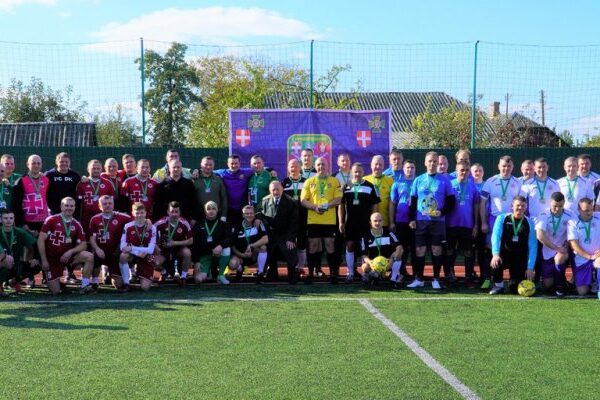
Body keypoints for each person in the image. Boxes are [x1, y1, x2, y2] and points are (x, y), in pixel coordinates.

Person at [406, 151, 455, 289]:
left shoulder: (445, 180)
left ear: (438, 163)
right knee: (419, 250)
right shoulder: (418, 180)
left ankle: (436, 279)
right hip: (421, 221)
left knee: (436, 249)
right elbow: (412, 201)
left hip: (438, 221)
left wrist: (442, 212)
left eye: (435, 161)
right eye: (430, 161)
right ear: (425, 163)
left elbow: (451, 202)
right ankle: (419, 279)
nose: (432, 164)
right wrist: (411, 219)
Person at [479, 155, 522, 289]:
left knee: (511, 248)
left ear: (512, 167)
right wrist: (484, 222)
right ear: (498, 166)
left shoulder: (518, 182)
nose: (506, 168)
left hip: (512, 220)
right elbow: (482, 203)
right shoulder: (490, 181)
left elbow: (522, 204)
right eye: (503, 166)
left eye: (509, 166)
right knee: (490, 247)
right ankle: (489, 278)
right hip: (494, 219)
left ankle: (513, 280)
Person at [38, 197, 93, 295]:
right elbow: (40, 240)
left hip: (68, 257)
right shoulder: (51, 220)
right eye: (66, 205)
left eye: (72, 206)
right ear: (61, 207)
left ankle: (85, 286)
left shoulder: (76, 224)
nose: (69, 208)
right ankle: (58, 283)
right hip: (52, 259)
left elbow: (83, 245)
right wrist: (44, 260)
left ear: (75, 207)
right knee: (55, 291)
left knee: (89, 256)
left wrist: (70, 251)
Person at [301, 157, 342, 283]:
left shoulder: (335, 181)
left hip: (329, 220)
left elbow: (338, 199)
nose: (321, 167)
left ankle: (333, 274)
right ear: (315, 166)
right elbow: (303, 200)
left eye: (323, 164)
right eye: (318, 165)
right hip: (313, 220)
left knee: (330, 245)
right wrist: (314, 207)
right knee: (313, 245)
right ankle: (310, 274)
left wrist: (327, 206)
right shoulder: (309, 182)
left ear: (327, 166)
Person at [12, 154, 50, 287]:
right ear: (28, 165)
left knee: (45, 248)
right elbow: (16, 205)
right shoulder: (21, 181)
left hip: (43, 221)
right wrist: (23, 224)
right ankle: (30, 277)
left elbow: (48, 198)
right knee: (29, 249)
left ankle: (46, 277)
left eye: (38, 163)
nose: (36, 165)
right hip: (28, 221)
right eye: (33, 163)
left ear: (41, 165)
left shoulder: (46, 179)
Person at [338, 162, 379, 282]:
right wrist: (341, 222)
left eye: (360, 172)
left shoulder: (370, 186)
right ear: (352, 172)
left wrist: (373, 221)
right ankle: (350, 273)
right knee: (350, 246)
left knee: (364, 249)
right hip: (350, 223)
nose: (357, 174)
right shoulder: (346, 186)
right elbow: (341, 205)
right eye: (355, 171)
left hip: (365, 223)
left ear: (363, 172)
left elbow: (375, 205)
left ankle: (365, 273)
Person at [488, 195, 536, 295]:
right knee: (495, 261)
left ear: (526, 207)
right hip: (504, 254)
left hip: (519, 257)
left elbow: (533, 246)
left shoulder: (530, 223)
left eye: (523, 206)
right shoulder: (502, 218)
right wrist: (495, 254)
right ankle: (498, 286)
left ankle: (513, 284)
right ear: (512, 206)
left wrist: (530, 267)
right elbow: (496, 237)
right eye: (518, 205)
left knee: (514, 289)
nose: (520, 208)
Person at [257, 181, 299, 284]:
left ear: (282, 189)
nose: (275, 192)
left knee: (290, 251)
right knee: (269, 252)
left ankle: (292, 275)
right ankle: (271, 274)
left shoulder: (291, 202)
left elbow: (294, 222)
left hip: (286, 234)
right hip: (271, 234)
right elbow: (259, 212)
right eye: (273, 190)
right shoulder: (265, 200)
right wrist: (258, 218)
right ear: (269, 191)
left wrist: (291, 239)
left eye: (277, 189)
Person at [89, 195, 133, 292]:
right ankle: (95, 281)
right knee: (93, 257)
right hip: (101, 253)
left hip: (115, 254)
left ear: (113, 204)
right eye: (105, 204)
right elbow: (92, 238)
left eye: (110, 203)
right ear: (100, 206)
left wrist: (147, 221)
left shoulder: (123, 217)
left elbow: (138, 221)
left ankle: (109, 273)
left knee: (119, 284)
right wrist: (97, 249)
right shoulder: (95, 219)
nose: (108, 205)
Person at [446, 161, 479, 286]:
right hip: (451, 224)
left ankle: (468, 277)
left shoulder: (473, 187)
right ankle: (450, 275)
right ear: (456, 171)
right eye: (461, 170)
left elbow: (476, 206)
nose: (464, 172)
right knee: (449, 250)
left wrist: (476, 224)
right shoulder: (450, 185)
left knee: (468, 252)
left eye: (466, 170)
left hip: (467, 225)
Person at [535, 192, 573, 297]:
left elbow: (577, 232)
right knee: (548, 285)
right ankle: (562, 281)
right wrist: (556, 248)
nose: (557, 209)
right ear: (550, 202)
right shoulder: (543, 214)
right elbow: (540, 235)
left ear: (564, 203)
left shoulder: (570, 214)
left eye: (560, 206)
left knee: (559, 258)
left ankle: (560, 288)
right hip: (547, 251)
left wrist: (568, 243)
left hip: (562, 250)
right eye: (555, 206)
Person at [119, 202, 157, 292]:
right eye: (137, 213)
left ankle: (139, 273)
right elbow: (122, 246)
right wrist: (136, 252)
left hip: (146, 256)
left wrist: (132, 248)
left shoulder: (152, 227)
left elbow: (150, 250)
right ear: (132, 213)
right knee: (123, 256)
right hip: (133, 255)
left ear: (145, 213)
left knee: (145, 288)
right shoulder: (127, 226)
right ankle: (126, 284)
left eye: (142, 213)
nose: (139, 215)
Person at [191, 201, 231, 284]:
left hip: (218, 255)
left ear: (217, 210)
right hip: (204, 256)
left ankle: (220, 275)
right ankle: (208, 271)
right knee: (198, 279)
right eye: (208, 209)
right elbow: (194, 245)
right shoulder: (198, 225)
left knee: (226, 249)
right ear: (205, 211)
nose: (211, 211)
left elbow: (229, 239)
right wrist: (196, 261)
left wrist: (221, 246)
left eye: (213, 209)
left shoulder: (224, 224)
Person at [389, 159, 416, 282]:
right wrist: (391, 221)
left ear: (415, 169)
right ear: (403, 169)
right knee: (402, 248)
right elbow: (393, 203)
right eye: (407, 167)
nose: (410, 170)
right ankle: (401, 271)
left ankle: (417, 273)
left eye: (412, 167)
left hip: (416, 222)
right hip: (400, 221)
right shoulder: (397, 183)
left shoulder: (419, 182)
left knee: (415, 248)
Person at [153, 201, 193, 285]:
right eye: (172, 211)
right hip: (164, 250)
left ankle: (183, 277)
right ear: (168, 211)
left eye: (176, 212)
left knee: (187, 252)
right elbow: (150, 234)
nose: (174, 214)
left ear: (180, 212)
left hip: (178, 250)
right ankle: (163, 272)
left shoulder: (184, 223)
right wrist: (156, 246)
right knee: (153, 261)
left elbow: (190, 240)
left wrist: (174, 243)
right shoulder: (160, 223)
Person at [568, 198, 600, 297]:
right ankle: (592, 280)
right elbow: (574, 245)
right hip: (582, 258)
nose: (589, 213)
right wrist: (589, 256)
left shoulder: (599, 217)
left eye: (591, 210)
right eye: (586, 210)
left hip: (598, 256)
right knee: (582, 291)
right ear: (579, 209)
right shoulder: (573, 222)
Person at [360, 212, 403, 287]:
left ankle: (393, 280)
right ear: (370, 222)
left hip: (387, 263)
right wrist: (371, 263)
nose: (377, 223)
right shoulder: (366, 236)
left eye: (380, 221)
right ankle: (374, 276)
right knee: (365, 266)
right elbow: (364, 255)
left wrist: (391, 259)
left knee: (400, 252)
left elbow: (399, 247)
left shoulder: (389, 233)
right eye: (375, 221)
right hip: (374, 264)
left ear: (383, 222)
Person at [229, 205, 269, 284]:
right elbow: (232, 246)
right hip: (240, 255)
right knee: (233, 264)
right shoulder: (237, 226)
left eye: (251, 213)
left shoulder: (258, 224)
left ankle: (260, 273)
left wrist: (251, 246)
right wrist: (243, 255)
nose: (249, 215)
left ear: (254, 214)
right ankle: (240, 270)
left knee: (263, 247)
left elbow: (266, 239)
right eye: (247, 213)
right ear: (243, 215)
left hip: (253, 254)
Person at [0, 210, 37, 295]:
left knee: (36, 265)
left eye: (11, 218)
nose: (8, 220)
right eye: (5, 218)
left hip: (15, 263)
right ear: (1, 220)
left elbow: (34, 244)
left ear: (14, 219)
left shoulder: (20, 232)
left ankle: (14, 281)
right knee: (7, 260)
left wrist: (34, 258)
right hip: (2, 262)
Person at [281, 159, 308, 274]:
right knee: (290, 242)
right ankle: (292, 267)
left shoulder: (306, 182)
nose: (294, 168)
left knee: (302, 243)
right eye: (291, 166)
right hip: (289, 218)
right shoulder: (284, 182)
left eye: (296, 166)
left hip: (303, 216)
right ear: (288, 168)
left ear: (300, 167)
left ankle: (301, 267)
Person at [76, 159, 116, 236]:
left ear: (101, 169)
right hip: (86, 218)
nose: (96, 170)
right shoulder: (82, 183)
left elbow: (113, 203)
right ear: (88, 169)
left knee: (102, 238)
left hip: (104, 218)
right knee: (87, 238)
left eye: (98, 168)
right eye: (93, 168)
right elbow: (78, 203)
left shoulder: (108, 183)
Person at [215, 154, 254, 229]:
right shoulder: (222, 172)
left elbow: (259, 168)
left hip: (243, 210)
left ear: (240, 164)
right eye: (232, 163)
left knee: (243, 231)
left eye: (236, 163)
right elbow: (208, 170)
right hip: (228, 210)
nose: (234, 165)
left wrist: (271, 170)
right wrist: (198, 171)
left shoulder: (246, 172)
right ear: (228, 164)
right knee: (229, 231)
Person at [520, 157, 560, 223]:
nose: (542, 169)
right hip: (533, 221)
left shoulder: (555, 184)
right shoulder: (527, 184)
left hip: (550, 221)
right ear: (534, 168)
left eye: (544, 167)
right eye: (539, 167)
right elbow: (521, 203)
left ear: (547, 167)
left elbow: (558, 202)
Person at [193, 156, 228, 222]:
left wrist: (224, 215)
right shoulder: (194, 179)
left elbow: (224, 198)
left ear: (213, 166)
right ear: (201, 165)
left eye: (210, 165)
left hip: (216, 216)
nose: (208, 167)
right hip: (198, 216)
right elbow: (190, 199)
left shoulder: (218, 180)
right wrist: (192, 217)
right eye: (206, 164)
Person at [365, 155, 395, 227]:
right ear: (371, 165)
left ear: (383, 166)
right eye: (376, 164)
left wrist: (391, 222)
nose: (378, 166)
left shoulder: (390, 181)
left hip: (385, 222)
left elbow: (392, 202)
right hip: (367, 222)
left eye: (380, 164)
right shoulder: (364, 180)